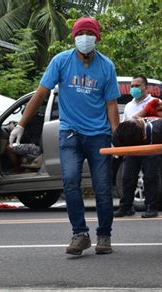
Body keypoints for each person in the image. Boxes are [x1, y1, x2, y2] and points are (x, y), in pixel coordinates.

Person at [9, 17, 120, 256]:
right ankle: (80, 234)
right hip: (70, 133)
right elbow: (40, 94)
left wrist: (116, 136)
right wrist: (20, 124)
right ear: (74, 37)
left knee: (102, 187)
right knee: (70, 181)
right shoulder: (61, 61)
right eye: (82, 34)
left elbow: (111, 104)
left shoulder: (106, 66)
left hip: (99, 135)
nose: (86, 38)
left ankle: (104, 235)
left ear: (97, 38)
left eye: (90, 34)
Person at [114, 75, 160, 219]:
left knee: (150, 177)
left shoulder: (155, 102)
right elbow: (124, 128)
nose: (134, 88)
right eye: (132, 86)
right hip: (132, 147)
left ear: (145, 88)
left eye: (137, 85)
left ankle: (151, 207)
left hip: (150, 145)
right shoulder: (129, 106)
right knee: (127, 177)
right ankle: (126, 207)